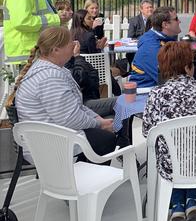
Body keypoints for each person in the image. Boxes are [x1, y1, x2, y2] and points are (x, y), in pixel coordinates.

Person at [142, 41, 196, 221]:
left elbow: (147, 132)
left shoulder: (157, 94)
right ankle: (191, 202)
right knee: (195, 146)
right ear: (188, 66)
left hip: (172, 166)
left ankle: (177, 206)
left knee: (174, 150)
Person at [8, 27, 116, 157]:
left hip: (52, 133)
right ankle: (81, 174)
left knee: (110, 126)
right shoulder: (50, 77)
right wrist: (100, 124)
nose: (75, 44)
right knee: (107, 139)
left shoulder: (53, 69)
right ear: (55, 50)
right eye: (70, 42)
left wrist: (98, 120)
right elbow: (70, 119)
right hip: (49, 144)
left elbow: (77, 107)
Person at [130, 6, 181, 87]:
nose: (179, 21)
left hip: (159, 89)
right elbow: (167, 80)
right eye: (176, 19)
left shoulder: (166, 38)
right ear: (165, 24)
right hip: (145, 93)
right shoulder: (150, 48)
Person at [64, 41, 116, 117]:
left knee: (115, 115)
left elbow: (93, 77)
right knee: (122, 102)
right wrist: (77, 56)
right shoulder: (63, 64)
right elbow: (80, 78)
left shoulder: (70, 60)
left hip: (86, 99)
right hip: (81, 103)